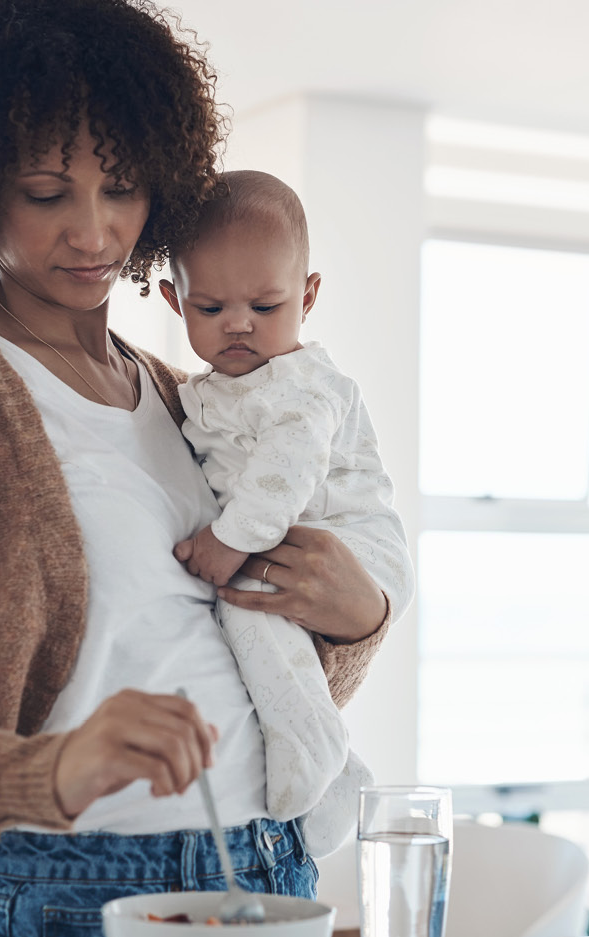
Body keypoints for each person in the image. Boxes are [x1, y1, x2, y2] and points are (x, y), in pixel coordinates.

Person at [0, 2, 411, 937]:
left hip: (272, 864)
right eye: (46, 192)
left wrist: (359, 617)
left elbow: (258, 662)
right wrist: (46, 773)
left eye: (123, 187)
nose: (95, 233)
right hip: (70, 889)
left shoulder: (194, 397)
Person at [159, 170, 411, 857]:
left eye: (265, 306)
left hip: (354, 541)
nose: (238, 324)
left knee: (246, 608)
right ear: (172, 301)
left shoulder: (304, 384)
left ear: (307, 296)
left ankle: (316, 751)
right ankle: (338, 774)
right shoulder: (207, 391)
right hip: (296, 544)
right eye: (210, 308)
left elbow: (286, 469)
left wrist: (226, 539)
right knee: (244, 623)